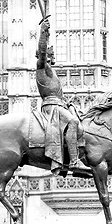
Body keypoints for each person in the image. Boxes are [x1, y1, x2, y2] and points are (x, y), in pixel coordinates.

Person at [36, 18, 90, 176]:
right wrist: (43, 33)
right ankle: (74, 162)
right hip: (52, 108)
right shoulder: (42, 68)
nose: (51, 57)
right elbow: (42, 52)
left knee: (81, 121)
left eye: (51, 55)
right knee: (72, 122)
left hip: (60, 105)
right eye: (49, 55)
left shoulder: (52, 74)